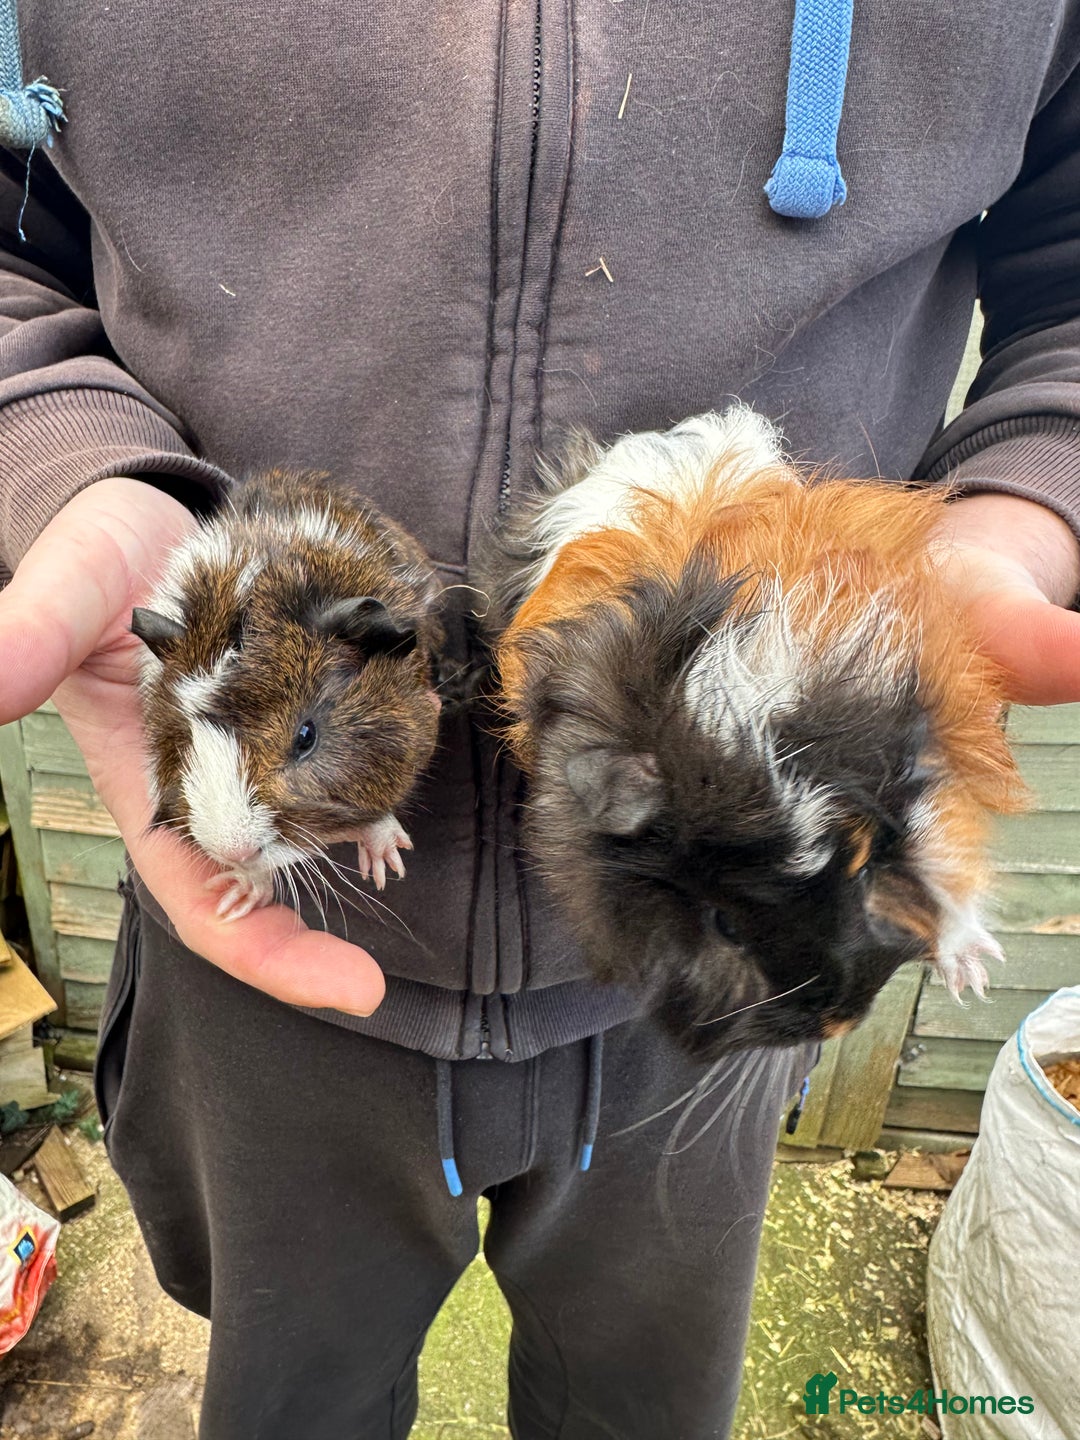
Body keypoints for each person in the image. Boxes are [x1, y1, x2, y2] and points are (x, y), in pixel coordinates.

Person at [1, 4, 1079, 1437]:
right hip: (256, 979)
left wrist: (1014, 519)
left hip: (683, 1026)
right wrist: (65, 461)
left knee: (645, 1403)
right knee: (288, 1394)